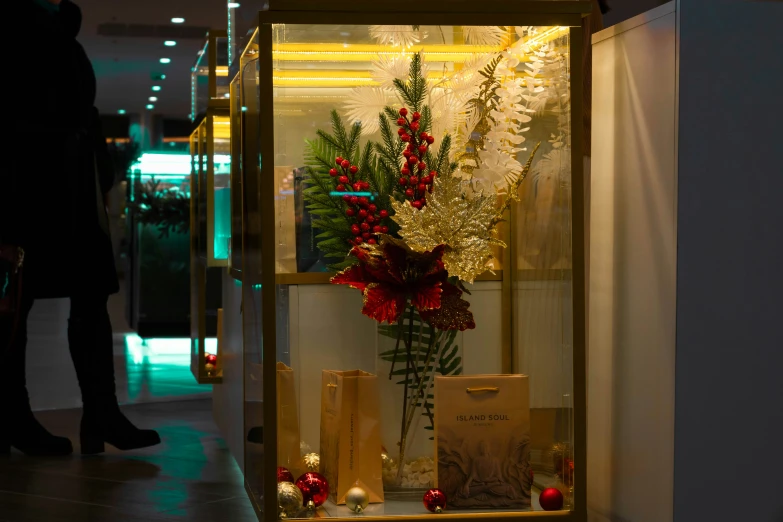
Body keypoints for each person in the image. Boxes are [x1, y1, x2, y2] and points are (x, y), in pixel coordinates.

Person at [0, 0, 159, 455]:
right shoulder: (25, 31)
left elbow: (76, 110)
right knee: (17, 298)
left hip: (68, 180)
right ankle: (16, 415)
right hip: (28, 182)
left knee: (83, 294)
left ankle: (100, 413)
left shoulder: (53, 30)